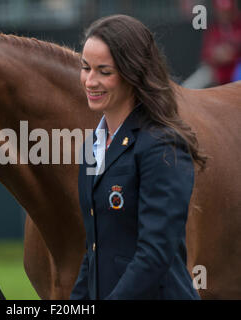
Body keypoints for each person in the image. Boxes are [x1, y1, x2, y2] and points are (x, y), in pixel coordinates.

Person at [70, 14, 207, 300]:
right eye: (85, 68)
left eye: (103, 71)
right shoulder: (92, 145)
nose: (90, 81)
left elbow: (154, 255)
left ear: (133, 73)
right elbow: (95, 251)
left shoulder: (162, 145)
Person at [201, 0, 241, 85]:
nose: (225, 15)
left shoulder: (238, 25)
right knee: (202, 75)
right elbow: (206, 55)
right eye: (222, 12)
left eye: (227, 11)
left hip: (236, 71)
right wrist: (216, 55)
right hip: (219, 74)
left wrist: (233, 52)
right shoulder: (214, 29)